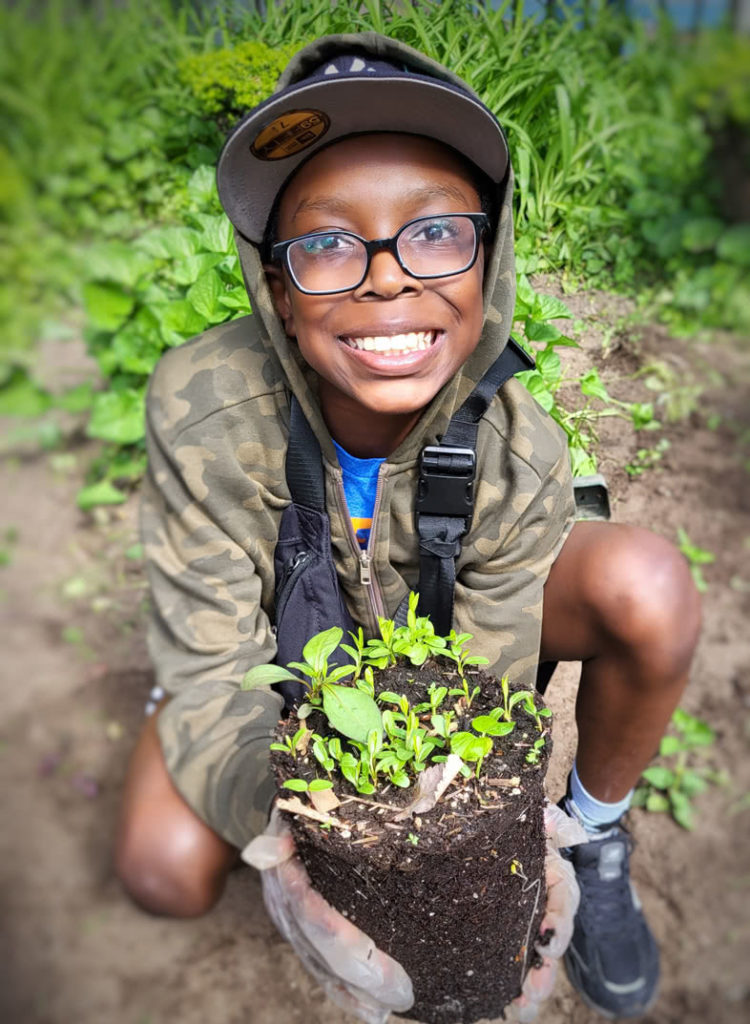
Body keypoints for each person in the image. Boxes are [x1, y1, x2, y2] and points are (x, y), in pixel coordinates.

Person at [115, 32, 701, 1021]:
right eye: (329, 242)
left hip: (430, 666)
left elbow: (485, 677)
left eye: (435, 233)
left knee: (646, 584)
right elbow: (215, 655)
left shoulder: (516, 443)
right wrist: (294, 835)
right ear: (277, 287)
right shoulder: (204, 405)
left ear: (490, 263)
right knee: (163, 865)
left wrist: (461, 843)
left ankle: (592, 831)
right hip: (286, 662)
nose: (386, 278)